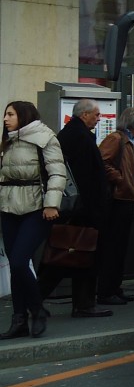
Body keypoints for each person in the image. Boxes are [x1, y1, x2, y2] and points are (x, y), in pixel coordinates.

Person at [39, 99, 112, 318]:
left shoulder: (71, 134)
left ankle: (82, 304)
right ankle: (36, 302)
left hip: (78, 208)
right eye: (96, 115)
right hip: (83, 210)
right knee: (69, 257)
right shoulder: (78, 137)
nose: (99, 119)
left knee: (74, 258)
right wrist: (95, 207)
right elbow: (85, 177)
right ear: (85, 114)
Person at [0, 100, 67, 339]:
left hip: (36, 209)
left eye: (10, 114)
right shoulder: (7, 140)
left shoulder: (44, 137)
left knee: (19, 262)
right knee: (16, 269)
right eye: (5, 115)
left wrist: (51, 204)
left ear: (24, 115)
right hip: (7, 207)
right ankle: (19, 320)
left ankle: (37, 310)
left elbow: (58, 172)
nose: (5, 119)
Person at [97, 107, 134, 305]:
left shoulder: (131, 142)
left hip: (127, 198)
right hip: (118, 199)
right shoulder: (117, 139)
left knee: (120, 247)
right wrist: (121, 180)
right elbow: (102, 162)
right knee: (113, 247)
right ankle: (105, 290)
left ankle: (115, 287)